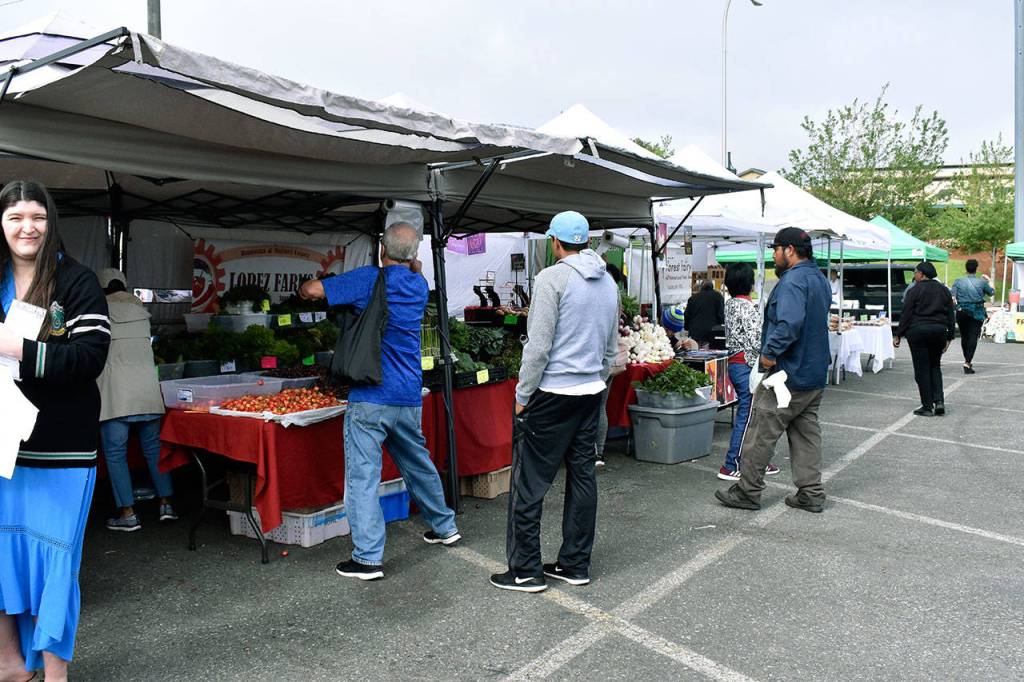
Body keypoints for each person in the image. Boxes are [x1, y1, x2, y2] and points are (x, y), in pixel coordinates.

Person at [299, 223, 459, 581]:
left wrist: (305, 285)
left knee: (362, 477)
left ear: (381, 249)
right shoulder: (418, 285)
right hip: (408, 394)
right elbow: (411, 267)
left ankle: (368, 557)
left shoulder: (368, 279)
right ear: (415, 254)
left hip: (371, 395)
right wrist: (412, 262)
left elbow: (312, 290)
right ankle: (445, 526)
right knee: (417, 462)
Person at [0, 180, 110, 681]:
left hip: (61, 448)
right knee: (4, 556)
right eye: (15, 217)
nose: (28, 227)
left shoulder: (77, 282)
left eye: (37, 217)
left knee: (54, 563)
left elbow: (90, 358)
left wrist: (17, 349)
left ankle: (54, 672)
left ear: (51, 222)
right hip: (3, 449)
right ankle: (9, 663)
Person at [492, 211, 618, 593]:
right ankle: (574, 564)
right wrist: (596, 379)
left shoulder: (551, 278)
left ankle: (526, 570)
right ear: (587, 243)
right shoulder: (608, 282)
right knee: (582, 477)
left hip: (552, 395)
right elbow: (611, 348)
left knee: (529, 482)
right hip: (591, 393)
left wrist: (521, 395)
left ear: (555, 243)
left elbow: (539, 346)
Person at [714, 228, 831, 514]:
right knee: (806, 433)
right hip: (813, 373)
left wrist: (767, 357)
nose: (773, 255)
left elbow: (788, 325)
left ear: (789, 250)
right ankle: (811, 492)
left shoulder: (792, 282)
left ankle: (748, 490)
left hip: (786, 374)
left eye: (775, 249)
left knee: (760, 431)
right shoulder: (819, 279)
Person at [95, 269, 177, 532]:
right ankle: (166, 504)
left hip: (116, 393)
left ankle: (128, 513)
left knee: (116, 454)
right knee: (153, 450)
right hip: (147, 391)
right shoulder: (141, 311)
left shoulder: (99, 310)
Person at [718, 263, 780, 481]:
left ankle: (756, 460)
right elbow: (757, 339)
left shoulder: (731, 304)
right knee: (749, 414)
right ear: (749, 283)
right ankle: (731, 463)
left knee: (754, 414)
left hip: (738, 363)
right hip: (747, 364)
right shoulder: (746, 307)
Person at [894, 261, 955, 416]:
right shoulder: (944, 290)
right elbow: (950, 314)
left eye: (915, 272)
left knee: (922, 369)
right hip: (939, 331)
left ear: (922, 274)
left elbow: (906, 313)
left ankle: (927, 406)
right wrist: (949, 336)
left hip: (918, 331)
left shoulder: (914, 290)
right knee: (935, 366)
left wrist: (899, 334)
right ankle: (939, 401)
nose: (914, 275)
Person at [950, 259, 994, 374]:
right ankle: (968, 361)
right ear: (976, 268)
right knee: (973, 336)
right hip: (976, 312)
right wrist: (989, 280)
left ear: (966, 268)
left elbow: (952, 297)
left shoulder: (958, 281)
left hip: (962, 311)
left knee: (964, 336)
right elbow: (992, 292)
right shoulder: (982, 282)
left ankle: (967, 359)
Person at [683, 281, 724, 347]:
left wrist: (687, 328)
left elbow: (687, 315)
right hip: (712, 334)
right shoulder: (718, 297)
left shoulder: (693, 298)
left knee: (695, 354)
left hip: (695, 334)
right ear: (712, 287)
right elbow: (721, 315)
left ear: (701, 288)